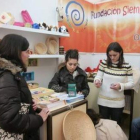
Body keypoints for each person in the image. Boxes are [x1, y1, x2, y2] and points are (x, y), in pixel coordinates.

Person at [0, 34, 49, 140]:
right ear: (16, 52)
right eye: (27, 51)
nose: (29, 55)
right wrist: (39, 118)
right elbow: (10, 120)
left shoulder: (11, 74)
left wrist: (28, 104)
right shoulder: (7, 77)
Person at [94, 42, 134, 124]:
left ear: (120, 53)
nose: (112, 58)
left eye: (114, 55)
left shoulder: (127, 66)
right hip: (103, 101)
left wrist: (120, 86)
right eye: (110, 55)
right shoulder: (104, 63)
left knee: (116, 127)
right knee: (103, 126)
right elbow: (98, 76)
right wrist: (97, 81)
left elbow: (131, 83)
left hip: (118, 104)